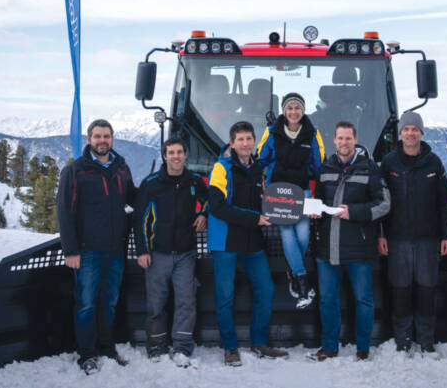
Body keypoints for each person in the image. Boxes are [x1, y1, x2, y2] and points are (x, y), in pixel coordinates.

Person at [57, 119, 135, 374]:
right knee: (87, 303)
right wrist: (71, 250)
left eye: (107, 136)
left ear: (112, 139)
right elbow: (65, 213)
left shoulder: (121, 168)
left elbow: (134, 199)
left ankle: (106, 347)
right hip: (87, 250)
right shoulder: (76, 171)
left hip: (115, 249)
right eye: (98, 136)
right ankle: (87, 354)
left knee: (109, 302)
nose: (103, 140)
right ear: (89, 139)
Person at [207, 121, 289, 366]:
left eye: (249, 139)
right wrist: (256, 218)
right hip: (225, 241)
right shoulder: (221, 169)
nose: (245, 143)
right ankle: (230, 347)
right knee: (225, 297)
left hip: (253, 241)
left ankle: (259, 342)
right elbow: (218, 207)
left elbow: (262, 201)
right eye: (240, 139)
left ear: (254, 142)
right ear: (232, 143)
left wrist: (282, 210)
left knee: (266, 290)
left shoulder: (257, 171)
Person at [308, 121, 390, 362]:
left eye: (348, 138)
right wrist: (314, 210)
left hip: (359, 248)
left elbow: (384, 204)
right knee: (328, 300)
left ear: (355, 140)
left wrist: (354, 212)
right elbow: (319, 199)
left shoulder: (370, 168)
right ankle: (329, 346)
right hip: (328, 248)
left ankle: (363, 347)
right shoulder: (325, 167)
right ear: (334, 140)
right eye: (340, 138)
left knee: (363, 300)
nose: (344, 143)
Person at [379, 111, 447, 355]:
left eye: (415, 129)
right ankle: (402, 339)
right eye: (406, 129)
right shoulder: (389, 162)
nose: (410, 133)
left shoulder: (433, 163)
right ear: (400, 133)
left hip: (428, 239)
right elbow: (380, 201)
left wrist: (446, 235)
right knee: (400, 289)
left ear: (421, 132)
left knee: (426, 289)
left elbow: (444, 202)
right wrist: (381, 234)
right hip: (397, 238)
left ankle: (426, 339)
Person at [133, 137, 208, 368]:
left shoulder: (194, 181)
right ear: (165, 156)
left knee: (186, 301)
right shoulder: (152, 183)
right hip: (158, 254)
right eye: (171, 152)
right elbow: (140, 219)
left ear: (186, 155)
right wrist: (143, 250)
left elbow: (207, 201)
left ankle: (182, 348)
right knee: (157, 303)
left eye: (180, 152)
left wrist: (203, 214)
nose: (176, 156)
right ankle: (156, 346)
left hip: (186, 253)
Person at [256, 92, 325, 308]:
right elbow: (261, 158)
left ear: (303, 110)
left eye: (297, 108)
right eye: (289, 108)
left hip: (302, 188)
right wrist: (260, 180)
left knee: (303, 234)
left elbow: (318, 163)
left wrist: (321, 192)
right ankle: (301, 279)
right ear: (284, 111)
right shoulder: (271, 132)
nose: (293, 112)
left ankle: (292, 268)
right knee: (287, 232)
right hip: (278, 190)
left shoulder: (312, 133)